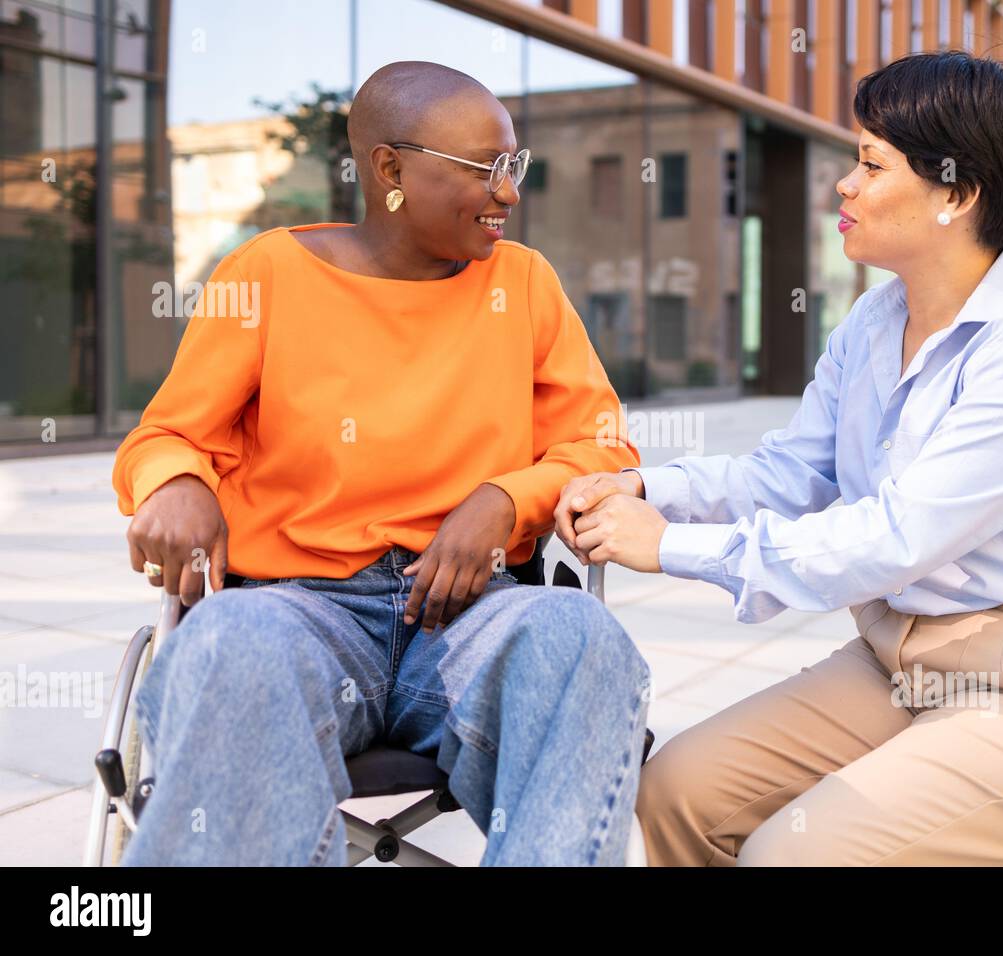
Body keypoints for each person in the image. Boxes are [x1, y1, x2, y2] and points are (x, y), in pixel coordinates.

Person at [553, 51, 1003, 866]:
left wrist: (664, 546)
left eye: (872, 164)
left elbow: (891, 539)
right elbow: (792, 475)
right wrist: (646, 485)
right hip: (898, 664)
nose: (843, 184)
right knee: (676, 792)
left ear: (956, 194)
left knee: (792, 855)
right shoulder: (876, 320)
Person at [111, 62, 649, 866]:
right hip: (297, 611)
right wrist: (178, 482)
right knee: (225, 646)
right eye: (485, 169)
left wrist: (504, 501)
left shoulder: (525, 284)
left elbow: (601, 445)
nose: (508, 192)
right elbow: (164, 435)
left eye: (515, 167)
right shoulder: (268, 274)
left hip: (471, 616)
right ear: (390, 169)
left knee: (580, 637)